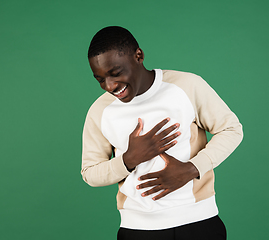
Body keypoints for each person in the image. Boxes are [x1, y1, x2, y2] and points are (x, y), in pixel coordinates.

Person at [81, 26, 243, 240]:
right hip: (137, 230)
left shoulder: (186, 85)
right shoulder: (100, 111)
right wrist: (129, 159)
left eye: (115, 73)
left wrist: (192, 169)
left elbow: (231, 129)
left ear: (138, 56)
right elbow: (90, 172)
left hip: (199, 222)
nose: (109, 85)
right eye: (100, 79)